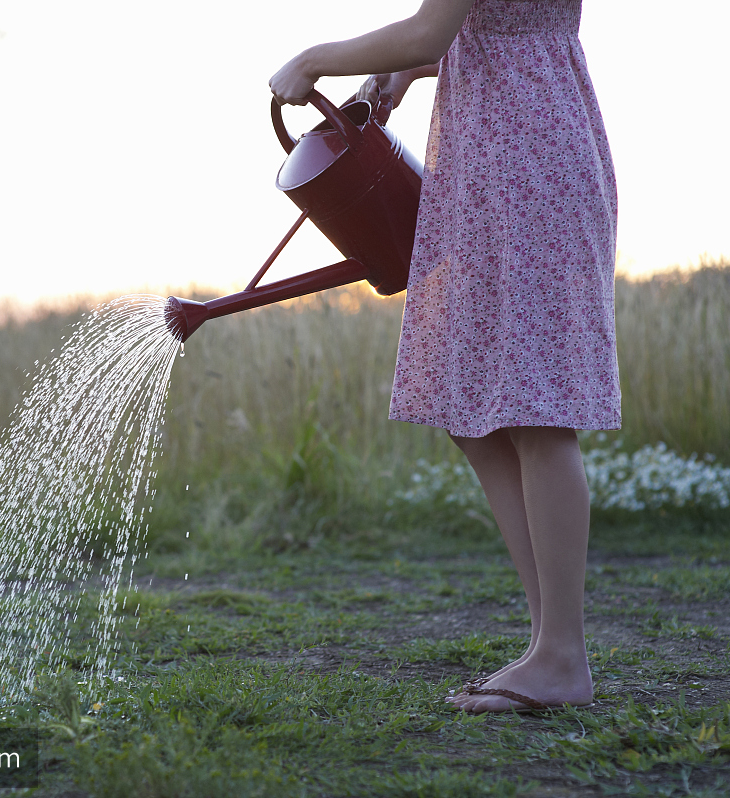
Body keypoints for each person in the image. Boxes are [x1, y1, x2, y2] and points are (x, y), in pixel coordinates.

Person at [271, 0, 618, 713]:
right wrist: (394, 80)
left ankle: (561, 657)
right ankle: (552, 641)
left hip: (526, 162)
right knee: (474, 410)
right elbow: (476, 30)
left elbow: (432, 26)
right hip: (503, 158)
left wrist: (311, 60)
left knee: (536, 408)